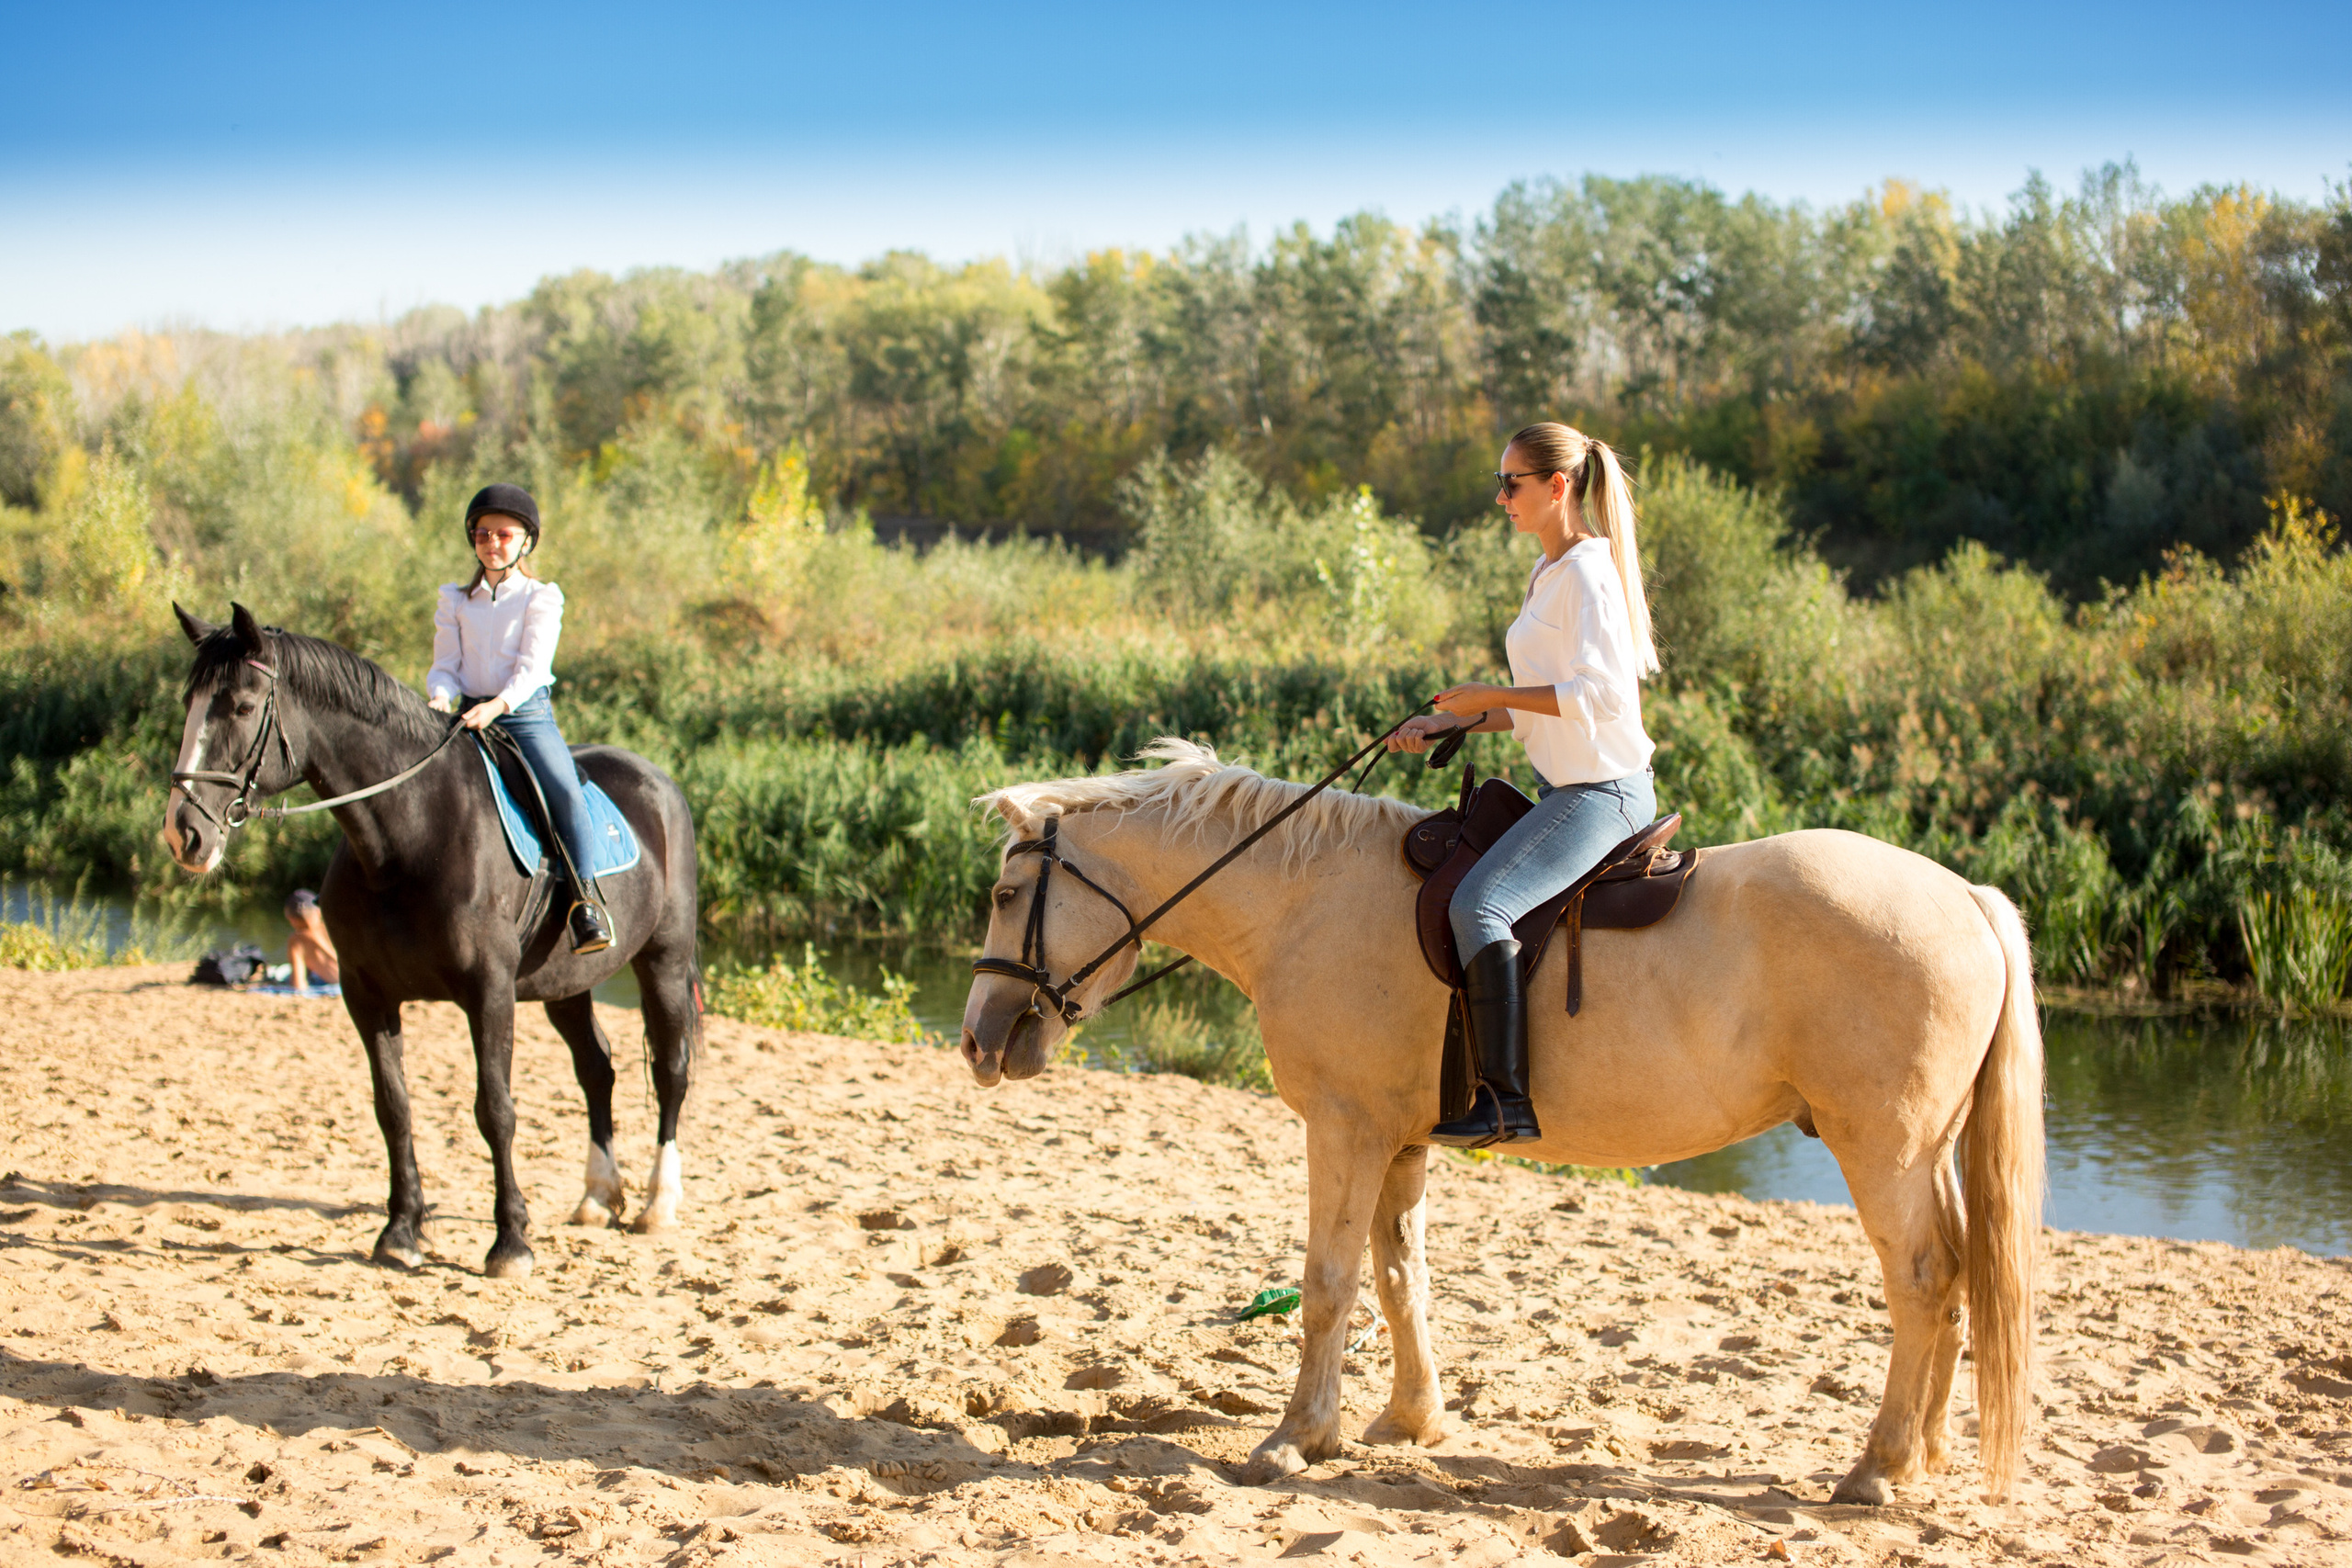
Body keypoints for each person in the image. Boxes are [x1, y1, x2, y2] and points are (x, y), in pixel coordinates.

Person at [1387, 423, 1660, 1148]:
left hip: (1603, 791)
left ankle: (1506, 1102)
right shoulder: (1549, 571)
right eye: (1500, 481)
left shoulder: (1588, 575)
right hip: (1567, 786)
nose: (1501, 496)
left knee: (1481, 905)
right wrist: (1453, 724)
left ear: (1557, 487)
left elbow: (1600, 696)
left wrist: (1485, 693)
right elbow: (1544, 705)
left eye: (1512, 482)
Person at [424, 483, 615, 953]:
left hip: (523, 715)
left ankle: (585, 902)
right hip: (468, 712)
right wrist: (439, 697)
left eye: (503, 535)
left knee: (563, 790)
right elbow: (446, 665)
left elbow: (531, 670)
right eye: (483, 534)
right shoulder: (454, 600)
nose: (492, 543)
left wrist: (496, 707)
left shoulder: (540, 597)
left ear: (525, 541)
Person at [283, 889, 340, 991]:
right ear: (318, 912)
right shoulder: (334, 927)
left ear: (291, 918)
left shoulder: (297, 940)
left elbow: (298, 984)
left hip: (339, 983)